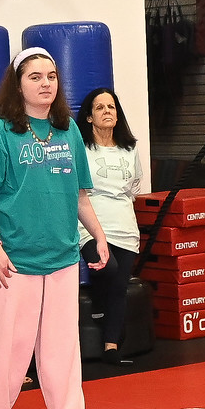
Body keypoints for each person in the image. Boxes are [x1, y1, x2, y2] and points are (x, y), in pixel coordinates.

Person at [0, 48, 112, 409]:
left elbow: (81, 197)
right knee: (4, 346)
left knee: (62, 344)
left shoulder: (68, 132)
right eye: (35, 77)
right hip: (11, 259)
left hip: (62, 256)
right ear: (18, 85)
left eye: (51, 76)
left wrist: (98, 236)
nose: (45, 83)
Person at [75, 88, 147, 360]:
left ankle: (111, 346)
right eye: (100, 108)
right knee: (108, 268)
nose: (107, 111)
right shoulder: (80, 149)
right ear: (90, 117)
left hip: (125, 227)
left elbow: (133, 189)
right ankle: (102, 313)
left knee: (119, 285)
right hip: (91, 227)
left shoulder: (130, 148)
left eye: (111, 107)